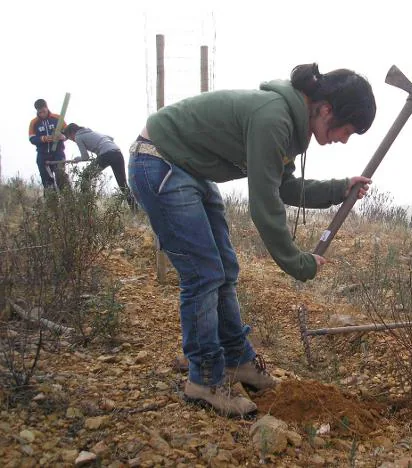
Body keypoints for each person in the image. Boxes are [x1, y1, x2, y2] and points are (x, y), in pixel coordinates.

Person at [128, 63, 376, 417]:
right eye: (347, 131)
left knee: (224, 269)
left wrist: (340, 189)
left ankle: (237, 360)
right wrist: (298, 262)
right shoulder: (273, 118)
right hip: (160, 163)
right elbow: (265, 207)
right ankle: (204, 379)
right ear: (326, 110)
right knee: (203, 274)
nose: (343, 139)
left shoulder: (291, 127)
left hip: (188, 169)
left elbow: (284, 185)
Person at [62, 123, 136, 209]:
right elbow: (111, 138)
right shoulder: (92, 132)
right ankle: (134, 209)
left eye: (70, 138)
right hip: (117, 153)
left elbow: (85, 157)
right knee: (123, 185)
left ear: (72, 133)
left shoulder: (78, 137)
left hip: (106, 154)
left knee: (85, 176)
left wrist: (78, 159)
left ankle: (85, 206)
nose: (72, 140)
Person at [28, 99, 68, 190]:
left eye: (44, 111)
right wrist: (44, 139)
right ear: (37, 111)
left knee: (61, 178)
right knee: (47, 183)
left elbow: (68, 132)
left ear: (47, 107)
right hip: (42, 155)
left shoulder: (58, 118)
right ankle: (52, 202)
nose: (42, 114)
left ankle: (67, 201)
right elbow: (31, 138)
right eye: (40, 112)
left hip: (58, 153)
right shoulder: (34, 122)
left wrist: (63, 136)